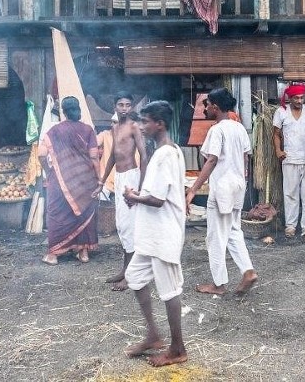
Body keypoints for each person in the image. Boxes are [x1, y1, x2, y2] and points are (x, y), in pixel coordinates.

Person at [121, 101, 188, 367]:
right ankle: (153, 335)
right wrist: (136, 198)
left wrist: (134, 197)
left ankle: (178, 349)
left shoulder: (166, 154)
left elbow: (158, 200)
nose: (141, 126)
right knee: (135, 277)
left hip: (163, 235)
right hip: (151, 236)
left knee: (170, 291)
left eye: (146, 121)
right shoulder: (166, 151)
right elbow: (156, 195)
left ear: (159, 123)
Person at [186, 88, 258, 296]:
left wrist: (194, 188)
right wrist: (239, 181)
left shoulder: (216, 130)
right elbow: (245, 158)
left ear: (215, 107)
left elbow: (212, 159)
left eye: (206, 105)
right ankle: (248, 271)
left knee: (215, 237)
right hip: (237, 185)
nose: (204, 109)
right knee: (233, 231)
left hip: (223, 187)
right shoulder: (239, 128)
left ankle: (219, 284)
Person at [38, 97, 100, 265]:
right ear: (78, 109)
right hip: (85, 180)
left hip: (59, 180)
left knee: (57, 214)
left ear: (63, 112)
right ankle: (83, 252)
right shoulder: (88, 130)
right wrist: (99, 180)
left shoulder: (53, 131)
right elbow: (94, 157)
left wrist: (49, 171)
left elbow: (41, 154)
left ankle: (53, 255)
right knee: (84, 212)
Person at [95, 92, 148, 291]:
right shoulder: (114, 127)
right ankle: (125, 270)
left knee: (129, 227)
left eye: (127, 105)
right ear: (115, 107)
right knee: (121, 226)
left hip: (131, 179)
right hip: (118, 178)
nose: (124, 108)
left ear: (132, 107)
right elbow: (111, 157)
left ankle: (131, 277)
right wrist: (101, 181)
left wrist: (141, 187)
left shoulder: (134, 127)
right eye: (121, 105)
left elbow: (143, 156)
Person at [273, 82, 305, 240]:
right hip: (289, 159)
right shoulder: (281, 112)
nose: (299, 101)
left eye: (301, 98)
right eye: (296, 98)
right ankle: (291, 226)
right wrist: (278, 151)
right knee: (290, 194)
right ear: (290, 98)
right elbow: (276, 134)